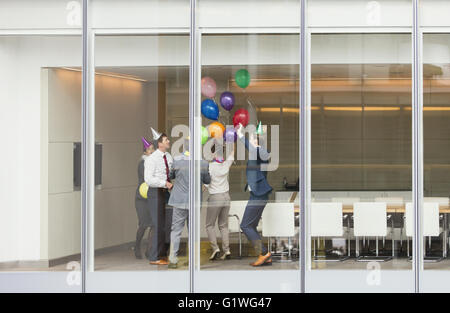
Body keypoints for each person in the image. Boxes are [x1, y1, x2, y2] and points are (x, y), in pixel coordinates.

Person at [167, 139, 211, 268]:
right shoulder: (203, 163)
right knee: (193, 231)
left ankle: (173, 259)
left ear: (184, 147)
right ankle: (193, 259)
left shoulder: (177, 160)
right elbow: (207, 179)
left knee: (176, 230)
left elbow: (171, 175)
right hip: (194, 202)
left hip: (179, 201)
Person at [236, 122, 273, 266]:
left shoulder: (261, 152)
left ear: (257, 141)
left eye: (252, 137)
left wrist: (240, 135)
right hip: (257, 194)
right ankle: (264, 254)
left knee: (245, 225)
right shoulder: (256, 152)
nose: (250, 139)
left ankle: (263, 253)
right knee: (251, 225)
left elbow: (254, 149)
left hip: (259, 195)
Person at [144, 128, 173, 265]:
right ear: (160, 143)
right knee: (157, 224)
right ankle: (154, 257)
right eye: (166, 140)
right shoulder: (151, 159)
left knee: (165, 225)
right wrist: (164, 183)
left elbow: (171, 172)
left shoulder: (168, 157)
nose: (169, 142)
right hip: (155, 193)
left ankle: (162, 254)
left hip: (166, 193)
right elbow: (148, 179)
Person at [205, 143, 234, 261]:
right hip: (226, 196)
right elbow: (232, 154)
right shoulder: (226, 164)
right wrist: (232, 141)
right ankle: (226, 250)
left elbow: (205, 185)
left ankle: (215, 248)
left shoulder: (210, 167)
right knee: (223, 225)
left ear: (212, 153)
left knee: (209, 225)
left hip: (215, 197)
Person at [134, 136, 155, 259]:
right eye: (149, 149)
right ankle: (137, 246)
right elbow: (148, 178)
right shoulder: (142, 164)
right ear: (145, 152)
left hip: (152, 197)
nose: (152, 151)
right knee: (143, 224)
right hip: (141, 199)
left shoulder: (154, 163)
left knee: (153, 224)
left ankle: (149, 250)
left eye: (153, 149)